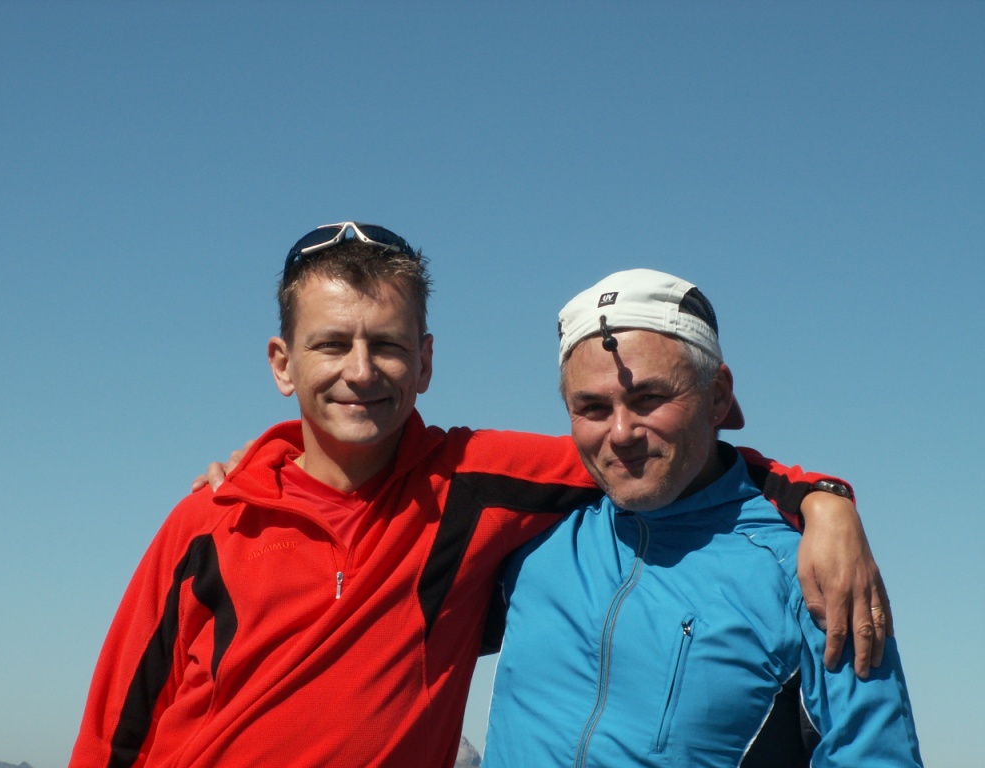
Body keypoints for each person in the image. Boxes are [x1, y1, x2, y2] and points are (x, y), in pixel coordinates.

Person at [70, 223, 888, 768]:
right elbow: (114, 726)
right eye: (331, 344)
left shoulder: (478, 484)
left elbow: (658, 454)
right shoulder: (210, 520)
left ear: (426, 362)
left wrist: (822, 499)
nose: (360, 370)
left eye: (387, 345)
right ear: (283, 364)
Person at [482, 268, 922, 767]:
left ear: (717, 396)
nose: (621, 432)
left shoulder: (811, 572)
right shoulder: (529, 529)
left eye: (649, 398)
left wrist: (828, 503)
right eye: (593, 408)